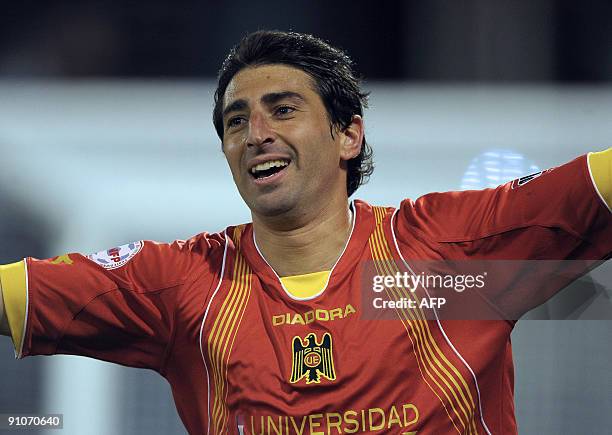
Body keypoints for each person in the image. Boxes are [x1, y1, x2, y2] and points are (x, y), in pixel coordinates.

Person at [0, 30, 610, 435]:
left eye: (283, 109)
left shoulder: (447, 255)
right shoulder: (184, 285)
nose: (256, 132)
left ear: (349, 135)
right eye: (236, 122)